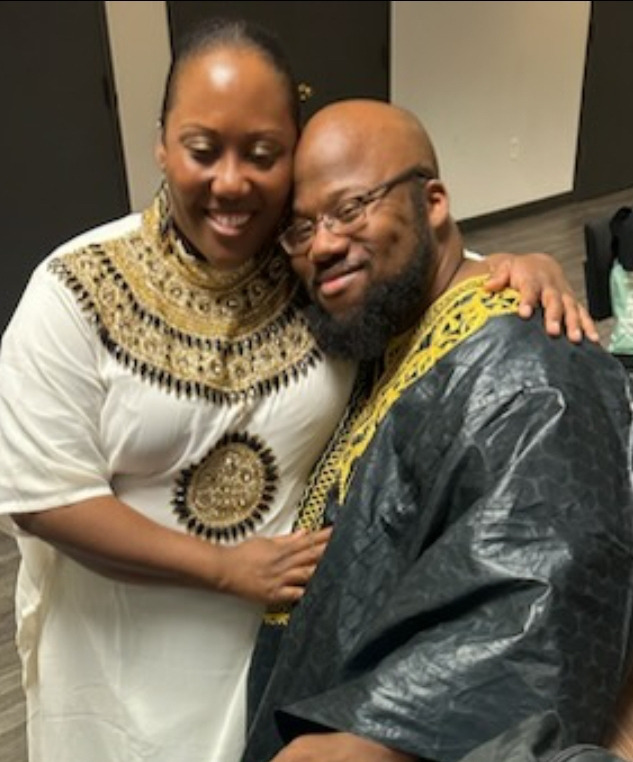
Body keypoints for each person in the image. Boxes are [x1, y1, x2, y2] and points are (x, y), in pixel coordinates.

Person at [0, 17, 600, 762]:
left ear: (290, 154)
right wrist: (227, 569)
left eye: (261, 154)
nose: (230, 182)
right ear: (161, 145)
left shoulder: (304, 270)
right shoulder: (73, 290)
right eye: (201, 150)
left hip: (281, 651)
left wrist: (518, 265)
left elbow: (418, 263)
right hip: (126, 641)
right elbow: (42, 496)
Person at [242, 99, 633, 762]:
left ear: (433, 202)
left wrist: (365, 744)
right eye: (301, 229)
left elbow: (537, 599)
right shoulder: (388, 329)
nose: (322, 245)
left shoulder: (530, 367)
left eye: (350, 208)